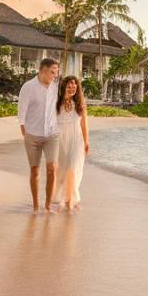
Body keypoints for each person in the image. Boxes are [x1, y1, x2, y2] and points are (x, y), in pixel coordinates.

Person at [17, 58, 60, 212]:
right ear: (43, 70)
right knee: (35, 170)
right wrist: (23, 127)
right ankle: (36, 205)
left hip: (52, 134)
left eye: (56, 72)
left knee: (52, 168)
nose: (55, 75)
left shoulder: (56, 88)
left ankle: (47, 206)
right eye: (52, 72)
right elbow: (22, 108)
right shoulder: (28, 87)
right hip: (32, 134)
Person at [56, 75, 89, 211]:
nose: (72, 88)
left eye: (74, 86)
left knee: (72, 169)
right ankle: (63, 198)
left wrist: (86, 142)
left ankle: (70, 200)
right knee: (62, 171)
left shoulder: (80, 104)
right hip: (60, 140)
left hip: (76, 140)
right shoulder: (56, 103)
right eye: (69, 86)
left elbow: (84, 125)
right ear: (64, 87)